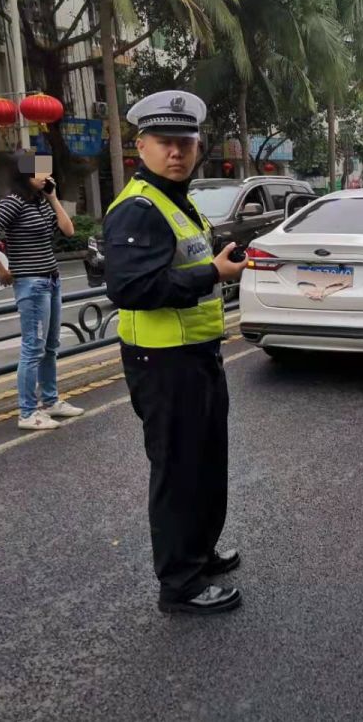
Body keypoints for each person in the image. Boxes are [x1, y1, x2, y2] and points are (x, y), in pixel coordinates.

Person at [103, 91, 248, 615]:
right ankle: (179, 586)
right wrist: (213, 272)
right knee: (177, 471)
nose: (176, 152)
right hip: (162, 363)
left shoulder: (177, 201)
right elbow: (130, 288)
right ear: (140, 146)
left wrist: (220, 260)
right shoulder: (138, 209)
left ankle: (200, 552)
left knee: (207, 464)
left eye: (185, 142)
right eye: (164, 142)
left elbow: (184, 263)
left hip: (198, 354)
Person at [0, 171, 85, 430]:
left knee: (50, 346)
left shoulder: (41, 203)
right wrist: (3, 272)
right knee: (33, 348)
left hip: (52, 280)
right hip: (32, 284)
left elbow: (68, 231)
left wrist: (53, 198)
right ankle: (27, 412)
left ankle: (50, 401)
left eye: (47, 170)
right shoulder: (13, 202)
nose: (46, 175)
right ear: (23, 174)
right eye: (38, 170)